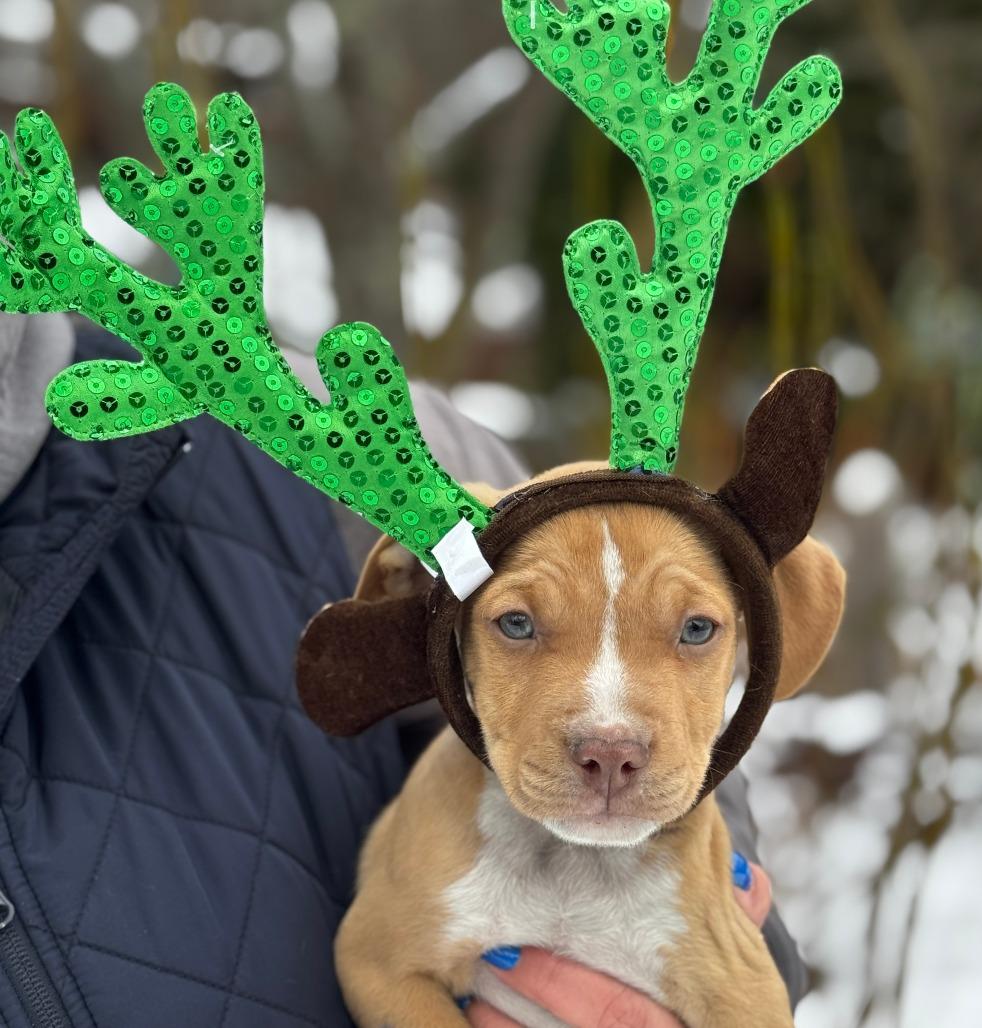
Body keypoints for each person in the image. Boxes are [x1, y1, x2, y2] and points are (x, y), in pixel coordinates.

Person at [0, 312, 805, 1027]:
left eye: (695, 628)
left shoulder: (372, 454)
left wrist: (746, 912)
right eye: (519, 622)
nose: (609, 735)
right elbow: (383, 961)